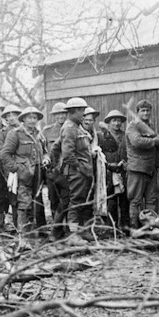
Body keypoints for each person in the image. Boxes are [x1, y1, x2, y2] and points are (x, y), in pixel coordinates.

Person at [0, 107, 49, 236]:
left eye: (34, 118)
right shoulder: (15, 134)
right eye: (29, 118)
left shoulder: (39, 135)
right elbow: (5, 154)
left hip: (37, 174)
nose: (32, 121)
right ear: (23, 119)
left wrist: (45, 159)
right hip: (23, 175)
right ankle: (22, 235)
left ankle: (31, 232)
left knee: (35, 203)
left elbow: (45, 152)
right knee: (24, 204)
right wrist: (17, 169)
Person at [59, 97, 93, 244]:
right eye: (82, 111)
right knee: (76, 201)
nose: (84, 115)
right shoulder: (70, 128)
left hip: (83, 171)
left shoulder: (77, 127)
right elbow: (67, 154)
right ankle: (73, 235)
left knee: (83, 201)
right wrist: (79, 168)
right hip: (77, 172)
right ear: (73, 111)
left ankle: (81, 231)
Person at [125, 99, 159, 230]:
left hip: (150, 169)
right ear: (137, 112)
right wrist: (154, 141)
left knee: (151, 200)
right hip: (137, 169)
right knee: (135, 201)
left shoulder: (149, 127)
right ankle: (134, 228)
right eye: (143, 110)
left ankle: (150, 228)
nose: (146, 113)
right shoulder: (133, 126)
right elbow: (136, 141)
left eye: (148, 110)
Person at [100, 109, 130, 231]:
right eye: (114, 121)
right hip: (108, 172)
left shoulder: (126, 135)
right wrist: (108, 166)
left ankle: (125, 227)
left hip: (124, 172)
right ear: (109, 122)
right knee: (111, 201)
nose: (117, 123)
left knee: (125, 200)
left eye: (119, 121)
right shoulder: (102, 136)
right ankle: (111, 228)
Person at [42, 102, 68, 234]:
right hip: (52, 171)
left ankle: (67, 227)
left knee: (67, 199)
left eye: (64, 113)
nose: (61, 116)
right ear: (54, 115)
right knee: (53, 199)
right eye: (58, 113)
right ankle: (57, 229)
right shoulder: (47, 131)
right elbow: (43, 150)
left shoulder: (72, 128)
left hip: (67, 171)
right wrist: (46, 159)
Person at [0, 104, 22, 229]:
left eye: (14, 115)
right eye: (9, 116)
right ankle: (17, 225)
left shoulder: (25, 130)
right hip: (11, 169)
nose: (12, 118)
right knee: (14, 197)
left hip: (26, 167)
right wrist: (12, 165)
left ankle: (29, 225)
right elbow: (1, 152)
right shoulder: (3, 133)